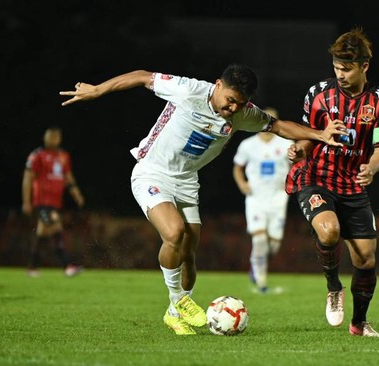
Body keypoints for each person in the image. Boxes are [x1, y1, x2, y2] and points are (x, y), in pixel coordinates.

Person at [59, 65, 346, 336]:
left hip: (186, 182)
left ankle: (173, 312)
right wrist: (97, 90)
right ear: (218, 85)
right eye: (230, 99)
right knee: (174, 233)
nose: (232, 108)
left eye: (240, 103)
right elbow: (142, 76)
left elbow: (279, 126)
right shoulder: (188, 90)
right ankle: (179, 300)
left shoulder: (243, 113)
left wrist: (320, 135)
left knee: (189, 257)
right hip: (152, 172)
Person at [286, 27, 379, 338]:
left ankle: (359, 324)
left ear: (364, 66)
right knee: (329, 230)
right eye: (336, 67)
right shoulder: (318, 94)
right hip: (316, 177)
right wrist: (298, 149)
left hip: (353, 185)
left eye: (346, 68)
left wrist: (371, 169)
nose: (340, 74)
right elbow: (308, 136)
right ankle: (334, 287)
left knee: (366, 257)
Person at [232, 107, 293, 294]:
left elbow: (297, 164)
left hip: (278, 197)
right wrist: (242, 183)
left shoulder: (286, 143)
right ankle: (261, 283)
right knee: (259, 240)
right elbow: (237, 167)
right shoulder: (248, 145)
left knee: (273, 245)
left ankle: (255, 264)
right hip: (256, 198)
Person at [22, 126, 85, 277]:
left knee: (42, 232)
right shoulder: (37, 155)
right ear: (45, 137)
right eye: (50, 136)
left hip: (55, 202)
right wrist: (26, 201)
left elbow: (68, 177)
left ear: (59, 139)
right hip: (41, 201)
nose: (52, 139)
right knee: (55, 225)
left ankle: (32, 267)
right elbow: (28, 179)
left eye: (55, 137)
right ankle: (67, 266)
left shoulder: (63, 156)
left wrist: (76, 192)